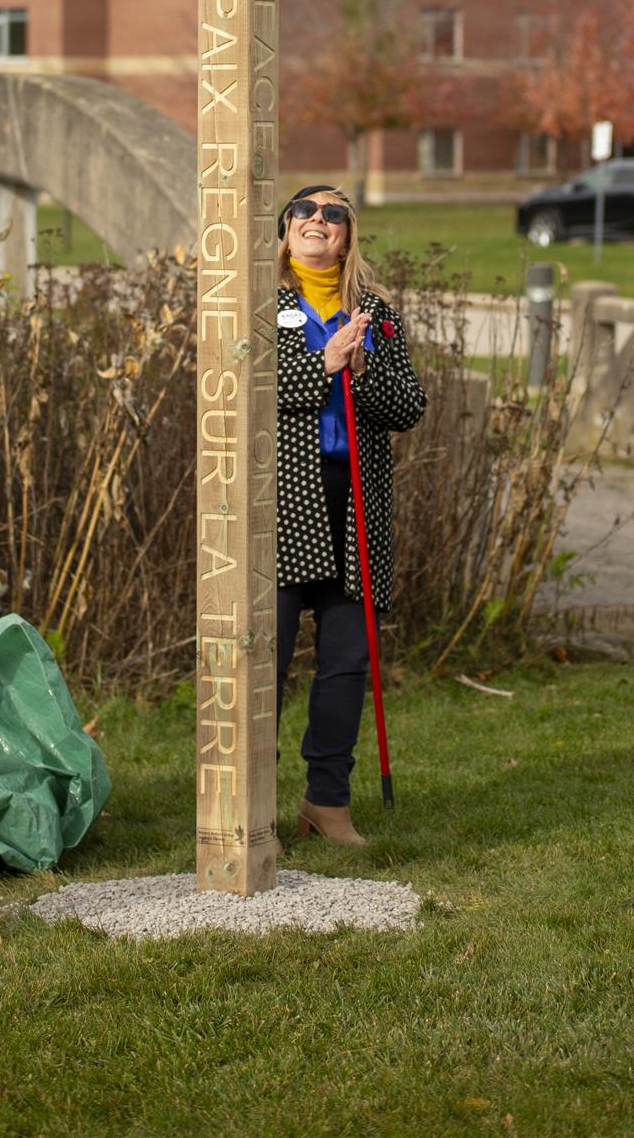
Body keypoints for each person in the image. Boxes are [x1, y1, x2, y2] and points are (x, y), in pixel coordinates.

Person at [275, 184, 425, 846]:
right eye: (304, 210)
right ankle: (247, 807)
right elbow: (233, 387)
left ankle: (326, 801)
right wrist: (322, 365)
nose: (317, 220)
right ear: (284, 228)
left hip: (355, 498)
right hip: (279, 498)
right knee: (265, 659)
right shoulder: (254, 303)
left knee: (346, 660)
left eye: (333, 214)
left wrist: (361, 370)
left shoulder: (377, 315)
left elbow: (408, 407)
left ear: (347, 234)